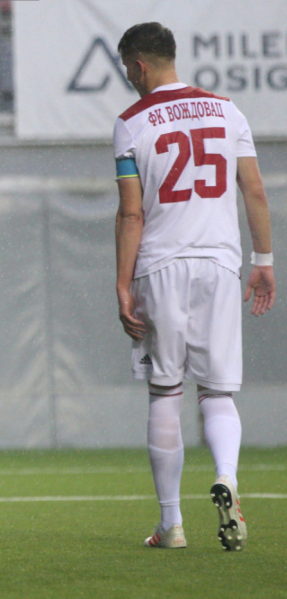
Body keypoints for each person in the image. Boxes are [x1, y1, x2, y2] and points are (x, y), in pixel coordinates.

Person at [113, 22, 275, 551]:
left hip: (161, 264)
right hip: (220, 262)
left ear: (139, 65)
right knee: (216, 391)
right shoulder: (228, 111)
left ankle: (171, 525)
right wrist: (264, 260)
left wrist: (122, 284)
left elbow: (131, 212)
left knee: (166, 391)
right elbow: (254, 190)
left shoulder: (131, 123)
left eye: (127, 68)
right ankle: (226, 475)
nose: (128, 77)